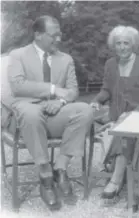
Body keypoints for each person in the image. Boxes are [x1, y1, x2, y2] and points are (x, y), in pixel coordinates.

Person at [6, 15, 94, 210]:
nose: (59, 40)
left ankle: (60, 168)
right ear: (38, 35)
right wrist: (53, 89)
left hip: (54, 114)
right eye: (54, 35)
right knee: (31, 114)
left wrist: (61, 101)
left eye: (60, 35)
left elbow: (73, 91)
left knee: (85, 110)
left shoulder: (66, 59)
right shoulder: (17, 55)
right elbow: (18, 87)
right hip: (26, 115)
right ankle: (45, 173)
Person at [90, 25, 139, 201]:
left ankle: (116, 179)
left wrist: (133, 115)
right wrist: (97, 100)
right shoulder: (110, 64)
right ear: (114, 45)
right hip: (117, 114)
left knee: (125, 130)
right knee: (118, 126)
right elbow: (106, 90)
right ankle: (118, 174)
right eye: (118, 43)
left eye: (126, 43)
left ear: (134, 45)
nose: (122, 47)